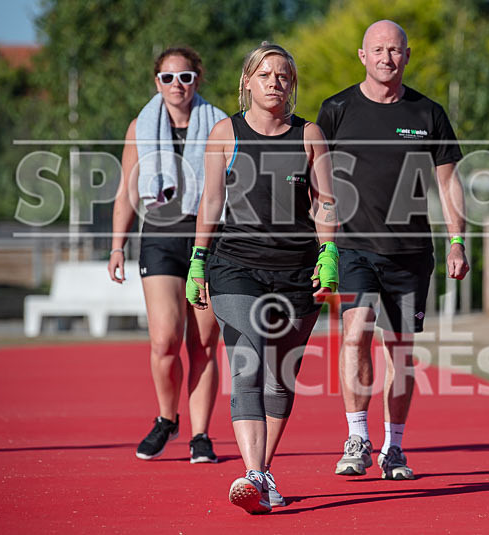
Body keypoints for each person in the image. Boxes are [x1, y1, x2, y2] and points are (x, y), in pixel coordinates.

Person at [316, 20, 469, 480]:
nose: (387, 58)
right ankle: (356, 437)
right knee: (356, 331)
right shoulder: (337, 109)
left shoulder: (428, 113)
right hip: (353, 246)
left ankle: (394, 448)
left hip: (410, 253)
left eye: (396, 50)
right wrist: (320, 244)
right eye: (378, 50)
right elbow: (315, 178)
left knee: (400, 352)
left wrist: (458, 239)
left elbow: (449, 182)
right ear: (363, 56)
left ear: (407, 55)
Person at [188, 43, 337, 514]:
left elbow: (325, 201)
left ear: (291, 85)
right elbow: (211, 201)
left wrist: (329, 252)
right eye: (265, 74)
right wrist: (197, 258)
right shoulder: (224, 133)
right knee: (247, 361)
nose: (275, 82)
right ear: (247, 82)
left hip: (295, 270)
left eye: (284, 76)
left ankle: (263, 472)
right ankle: (253, 474)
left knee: (280, 378)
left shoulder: (309, 134)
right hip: (234, 265)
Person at [107, 47, 227, 463]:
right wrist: (117, 245)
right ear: (156, 82)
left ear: (198, 79)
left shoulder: (220, 126)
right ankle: (165, 418)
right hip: (159, 234)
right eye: (168, 78)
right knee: (164, 341)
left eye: (186, 78)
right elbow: (125, 191)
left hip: (209, 236)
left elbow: (235, 188)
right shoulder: (140, 126)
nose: (177, 85)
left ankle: (201, 436)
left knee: (204, 343)